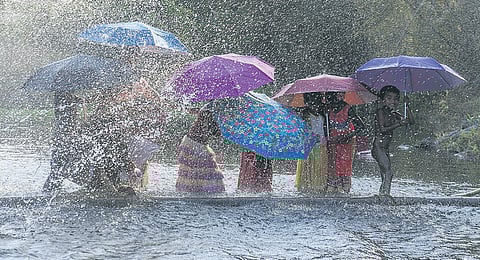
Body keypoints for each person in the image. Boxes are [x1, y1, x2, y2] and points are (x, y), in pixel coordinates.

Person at [372, 85, 414, 196]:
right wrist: (399, 124)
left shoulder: (394, 113)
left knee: (385, 175)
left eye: (396, 98)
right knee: (388, 173)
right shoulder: (380, 111)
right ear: (383, 100)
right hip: (378, 147)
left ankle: (382, 195)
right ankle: (385, 196)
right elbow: (382, 129)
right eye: (389, 98)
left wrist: (407, 105)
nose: (393, 101)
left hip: (384, 148)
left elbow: (411, 121)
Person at [175, 105, 226, 193]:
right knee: (208, 167)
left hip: (193, 142)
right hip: (195, 143)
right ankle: (205, 190)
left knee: (195, 167)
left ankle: (193, 189)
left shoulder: (208, 109)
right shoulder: (210, 111)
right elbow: (216, 132)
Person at [325, 91, 365, 194]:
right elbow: (324, 127)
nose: (341, 95)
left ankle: (345, 189)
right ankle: (333, 188)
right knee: (332, 163)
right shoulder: (327, 109)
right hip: (333, 141)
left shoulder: (348, 108)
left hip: (346, 142)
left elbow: (361, 126)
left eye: (342, 93)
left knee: (344, 165)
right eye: (338, 93)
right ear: (331, 94)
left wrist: (347, 136)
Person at [295, 92, 328, 193]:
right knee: (308, 166)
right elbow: (302, 130)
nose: (314, 104)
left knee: (319, 166)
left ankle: (318, 186)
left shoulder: (323, 114)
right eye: (311, 102)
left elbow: (324, 129)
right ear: (307, 102)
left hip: (321, 145)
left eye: (316, 102)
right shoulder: (305, 114)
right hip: (309, 145)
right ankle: (307, 186)